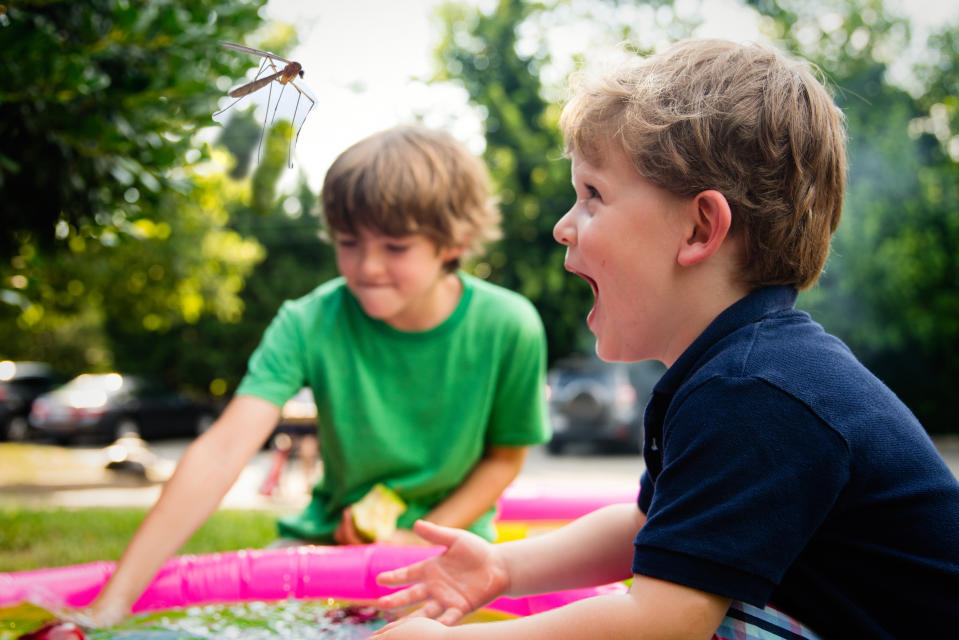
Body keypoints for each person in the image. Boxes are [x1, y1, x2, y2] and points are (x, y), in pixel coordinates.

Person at [368, 39, 959, 639]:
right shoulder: (735, 373)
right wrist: (502, 566)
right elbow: (646, 526)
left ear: (700, 227)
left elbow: (661, 623)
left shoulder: (757, 392)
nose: (562, 226)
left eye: (593, 195)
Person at [87, 124, 551, 624]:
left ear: (453, 242)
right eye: (348, 242)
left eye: (395, 247)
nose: (367, 267)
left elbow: (504, 460)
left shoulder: (510, 325)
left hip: (452, 550)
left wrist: (416, 537)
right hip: (325, 544)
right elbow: (221, 451)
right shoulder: (308, 321)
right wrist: (113, 602)